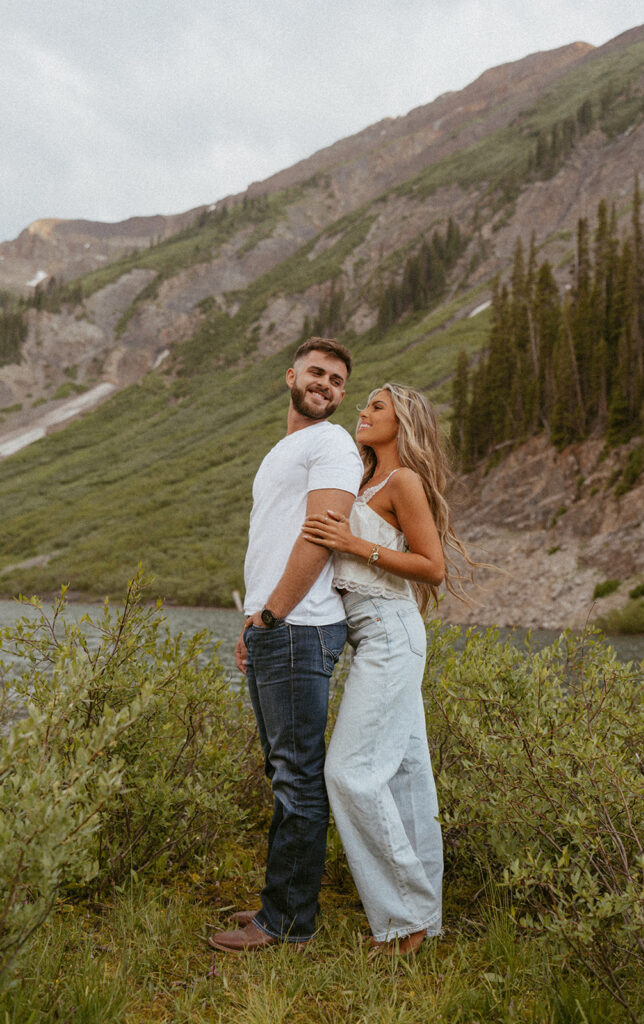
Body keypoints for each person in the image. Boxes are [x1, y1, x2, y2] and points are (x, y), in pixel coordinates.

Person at [302, 382, 472, 955]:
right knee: (403, 777)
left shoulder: (404, 482)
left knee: (349, 773)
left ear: (403, 421)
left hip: (392, 633)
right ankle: (424, 919)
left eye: (376, 406)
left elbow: (432, 566)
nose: (364, 411)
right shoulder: (363, 480)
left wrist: (355, 545)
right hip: (370, 637)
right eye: (366, 404)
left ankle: (403, 921)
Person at [209, 337, 363, 953]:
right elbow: (273, 541)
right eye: (318, 373)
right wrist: (255, 619)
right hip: (277, 627)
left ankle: (289, 924)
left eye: (338, 381)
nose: (327, 385)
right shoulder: (288, 447)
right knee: (286, 774)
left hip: (299, 627)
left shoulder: (331, 444)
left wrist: (272, 615)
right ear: (291, 376)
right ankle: (282, 904)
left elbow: (320, 536)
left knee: (297, 778)